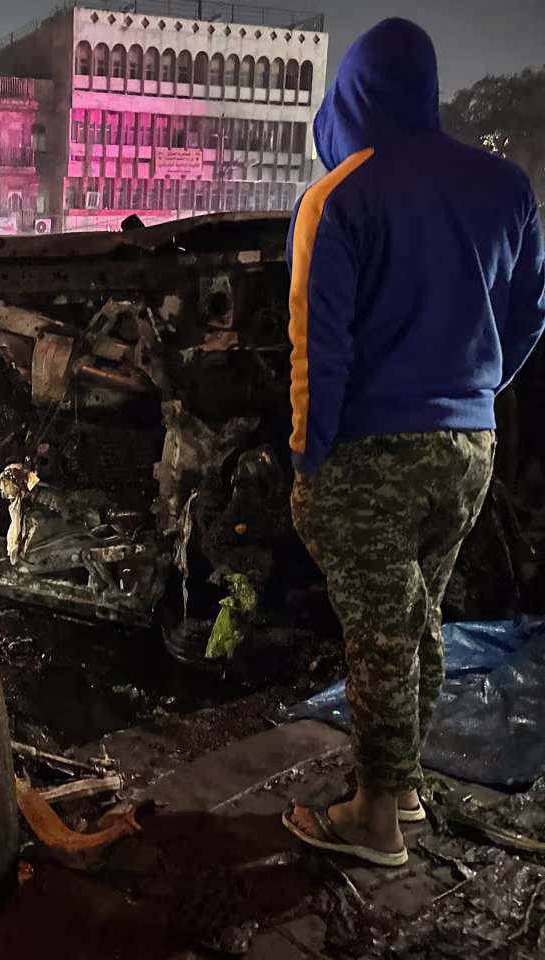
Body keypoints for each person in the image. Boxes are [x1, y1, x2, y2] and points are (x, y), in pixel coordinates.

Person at [281, 19, 545, 867]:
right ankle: (404, 792)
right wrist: (473, 395)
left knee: (379, 635)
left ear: (352, 93)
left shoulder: (340, 198)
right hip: (469, 448)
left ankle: (373, 823)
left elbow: (316, 347)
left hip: (369, 451)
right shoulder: (506, 188)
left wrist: (306, 457)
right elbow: (530, 316)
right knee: (420, 619)